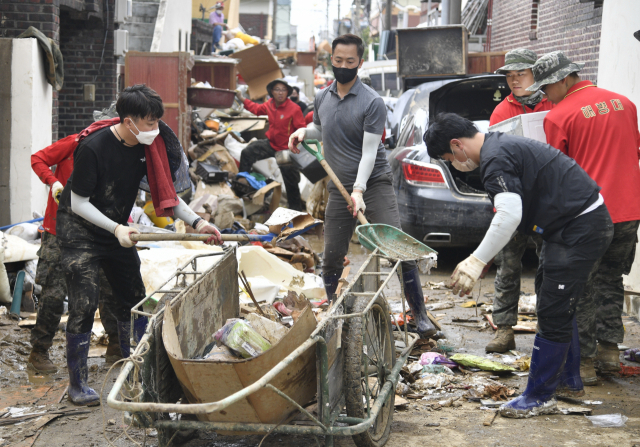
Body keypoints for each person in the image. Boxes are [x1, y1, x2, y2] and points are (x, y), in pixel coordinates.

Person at [424, 112, 612, 418]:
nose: (454, 164)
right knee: (556, 301)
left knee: (553, 307)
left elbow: (509, 214)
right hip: (570, 226)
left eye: (448, 157)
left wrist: (477, 259)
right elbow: (509, 213)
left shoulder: (495, 158)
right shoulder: (497, 147)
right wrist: (484, 256)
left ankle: (539, 396)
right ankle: (568, 381)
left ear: (457, 145)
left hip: (579, 227)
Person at [56, 85, 222, 406]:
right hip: (80, 231)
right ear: (128, 121)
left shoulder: (149, 147)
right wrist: (116, 227)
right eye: (148, 122)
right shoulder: (94, 148)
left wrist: (199, 223)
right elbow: (78, 203)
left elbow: (167, 196)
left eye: (157, 121)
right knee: (84, 303)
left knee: (132, 300)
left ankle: (138, 371)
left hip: (117, 229)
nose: (154, 129)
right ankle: (78, 384)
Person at [288, 34, 437, 338]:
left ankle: (420, 317)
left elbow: (370, 152)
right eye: (338, 61)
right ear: (331, 61)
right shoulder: (322, 97)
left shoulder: (372, 102)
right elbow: (321, 127)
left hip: (374, 185)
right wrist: (304, 130)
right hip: (338, 187)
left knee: (397, 250)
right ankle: (334, 314)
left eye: (350, 62)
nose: (343, 66)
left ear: (360, 63)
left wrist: (358, 190)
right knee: (331, 257)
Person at [527, 50, 640, 385]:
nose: (545, 96)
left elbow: (556, 176)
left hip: (590, 216)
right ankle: (610, 352)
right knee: (611, 279)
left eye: (547, 88)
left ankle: (586, 363)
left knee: (584, 287)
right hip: (629, 211)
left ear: (564, 79)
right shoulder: (625, 104)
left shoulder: (558, 117)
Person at [28, 133, 123, 373]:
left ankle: (116, 345)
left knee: (110, 285)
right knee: (53, 292)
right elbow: (38, 158)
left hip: (97, 230)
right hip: (58, 229)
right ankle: (39, 352)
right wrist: (53, 181)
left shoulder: (119, 152)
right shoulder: (76, 143)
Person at [484, 49, 554, 354]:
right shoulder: (502, 111)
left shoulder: (554, 104)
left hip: (548, 198)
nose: (514, 80)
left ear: (536, 74)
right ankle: (503, 329)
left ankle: (549, 328)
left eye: (520, 74)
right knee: (508, 264)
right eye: (510, 76)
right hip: (514, 196)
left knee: (549, 264)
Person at [236, 79, 306, 210]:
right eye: (277, 90)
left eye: (283, 90)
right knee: (247, 152)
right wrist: (241, 98)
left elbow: (301, 129)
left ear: (288, 92)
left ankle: (296, 212)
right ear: (271, 92)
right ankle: (242, 187)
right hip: (271, 144)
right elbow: (256, 109)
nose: (280, 93)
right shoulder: (270, 104)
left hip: (286, 149)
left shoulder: (294, 109)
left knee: (291, 183)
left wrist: (294, 145)